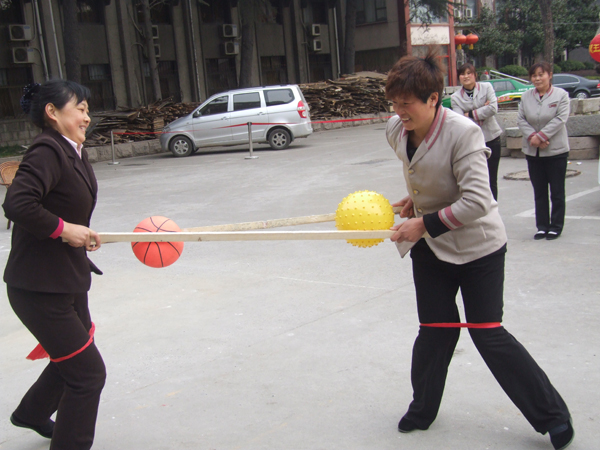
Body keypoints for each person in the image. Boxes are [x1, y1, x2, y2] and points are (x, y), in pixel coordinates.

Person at [385, 48, 574, 450]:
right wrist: (413, 201)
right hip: (433, 250)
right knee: (435, 332)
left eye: (407, 104)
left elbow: (478, 201)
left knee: (488, 333)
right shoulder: (395, 129)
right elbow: (427, 175)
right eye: (395, 104)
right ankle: (423, 409)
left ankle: (553, 416)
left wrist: (423, 221)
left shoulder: (463, 132)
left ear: (434, 98)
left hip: (478, 250)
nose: (400, 111)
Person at [4, 79, 105, 450]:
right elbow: (17, 205)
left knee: (76, 358)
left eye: (87, 109)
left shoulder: (71, 151)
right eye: (79, 108)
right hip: (39, 288)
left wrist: (79, 232)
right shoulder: (47, 150)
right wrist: (65, 230)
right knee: (88, 375)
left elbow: (61, 206)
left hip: (66, 280)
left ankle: (31, 413)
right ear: (53, 112)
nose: (86, 116)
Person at [517, 61, 570, 240]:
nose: (537, 78)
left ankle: (556, 226)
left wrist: (541, 136)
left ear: (550, 75)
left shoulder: (561, 95)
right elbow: (521, 120)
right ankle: (542, 226)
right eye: (534, 75)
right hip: (533, 152)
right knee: (539, 191)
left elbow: (560, 119)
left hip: (556, 151)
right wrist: (533, 137)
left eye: (541, 74)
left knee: (556, 191)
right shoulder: (526, 97)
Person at [451, 63, 502, 200]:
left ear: (475, 75)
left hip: (491, 138)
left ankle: (493, 211)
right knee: (476, 181)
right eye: (462, 74)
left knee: (492, 179)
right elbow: (460, 120)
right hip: (472, 144)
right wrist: (481, 110)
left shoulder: (487, 87)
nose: (466, 76)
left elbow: (493, 108)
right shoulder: (455, 97)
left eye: (469, 73)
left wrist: (471, 114)